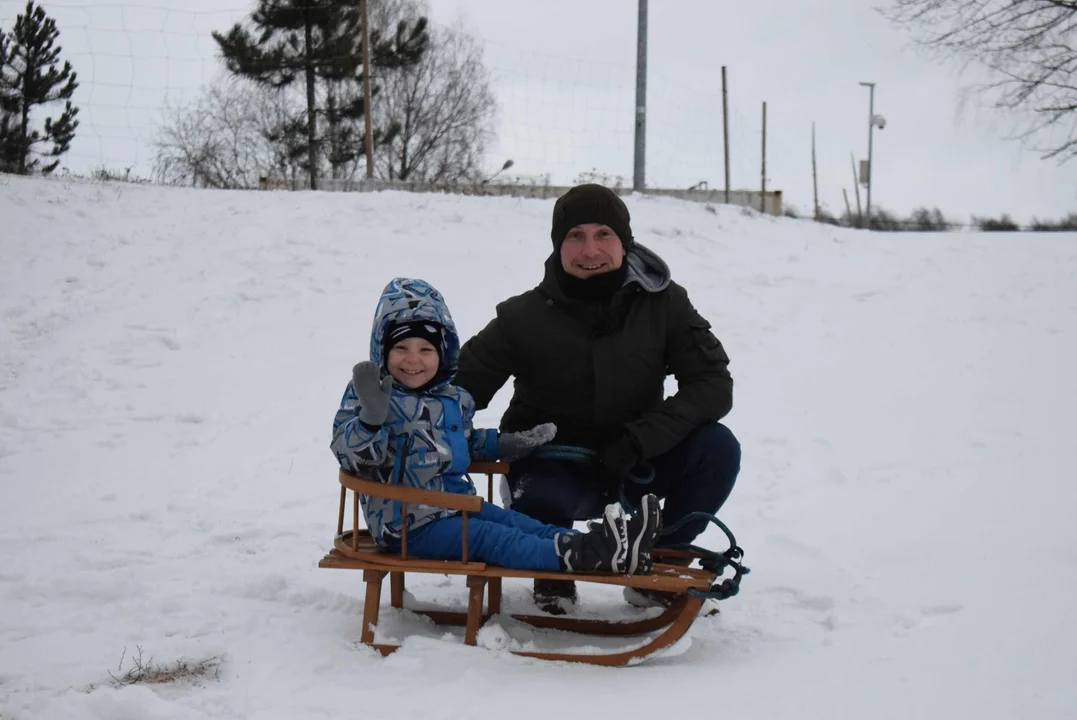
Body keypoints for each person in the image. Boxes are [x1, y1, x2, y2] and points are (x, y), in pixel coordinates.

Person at [454, 184, 741, 613]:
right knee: (543, 494)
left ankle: (660, 558)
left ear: (624, 242)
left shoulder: (665, 305)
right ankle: (553, 572)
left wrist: (639, 440)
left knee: (717, 448)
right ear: (558, 245)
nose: (590, 250)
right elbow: (459, 390)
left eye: (603, 234)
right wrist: (401, 423)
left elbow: (713, 384)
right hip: (551, 464)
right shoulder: (522, 317)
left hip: (636, 461)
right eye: (576, 236)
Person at [330, 277, 662, 580]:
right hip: (406, 525)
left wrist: (506, 445)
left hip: (456, 508)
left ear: (442, 353)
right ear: (383, 349)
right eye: (401, 348)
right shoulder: (372, 394)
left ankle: (604, 547)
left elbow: (465, 441)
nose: (413, 360)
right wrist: (371, 419)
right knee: (493, 538)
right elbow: (351, 456)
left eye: (426, 349)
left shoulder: (451, 399)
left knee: (519, 524)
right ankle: (581, 555)